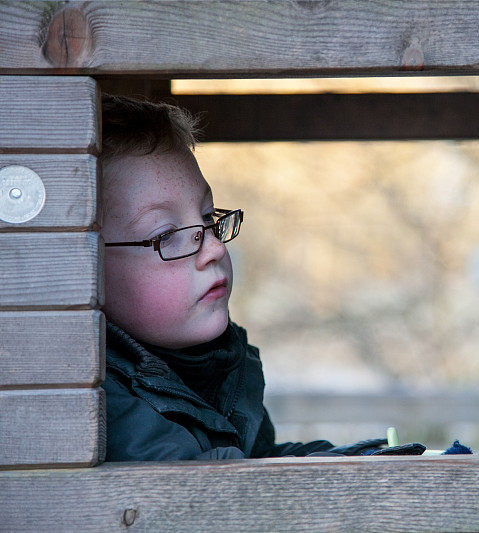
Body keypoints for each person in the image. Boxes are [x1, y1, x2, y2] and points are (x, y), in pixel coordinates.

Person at [99, 93, 407, 460]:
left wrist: (363, 459)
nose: (214, 248)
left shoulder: (213, 366)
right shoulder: (105, 405)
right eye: (167, 235)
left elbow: (258, 463)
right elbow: (218, 495)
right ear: (86, 265)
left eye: (208, 219)